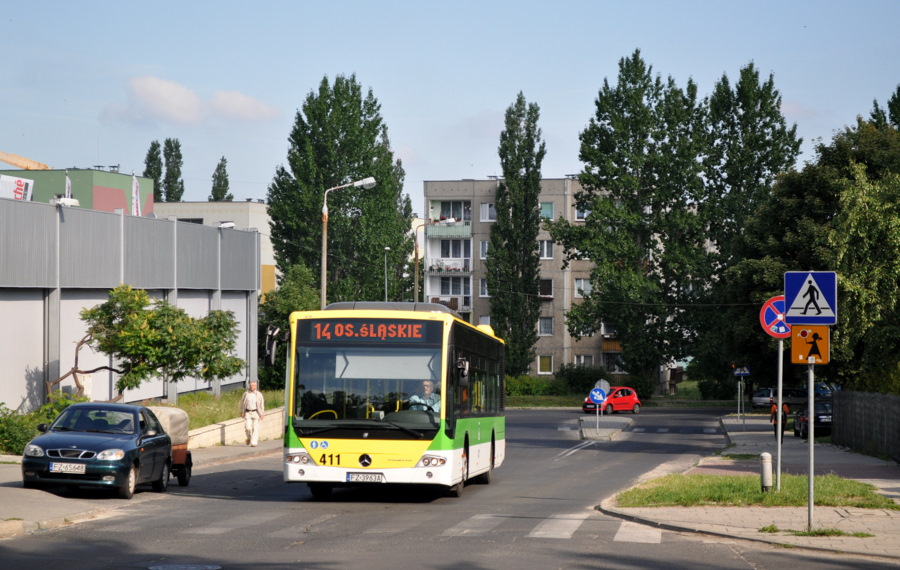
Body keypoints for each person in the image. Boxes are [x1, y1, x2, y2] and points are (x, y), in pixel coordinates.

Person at [240, 380, 265, 446]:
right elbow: (242, 403)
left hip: (256, 412)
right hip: (248, 412)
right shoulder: (246, 394)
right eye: (251, 385)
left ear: (256, 386)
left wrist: (262, 414)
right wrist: (242, 411)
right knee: (248, 427)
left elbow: (262, 404)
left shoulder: (259, 394)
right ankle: (249, 438)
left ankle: (254, 442)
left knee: (255, 428)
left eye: (253, 385)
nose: (252, 386)